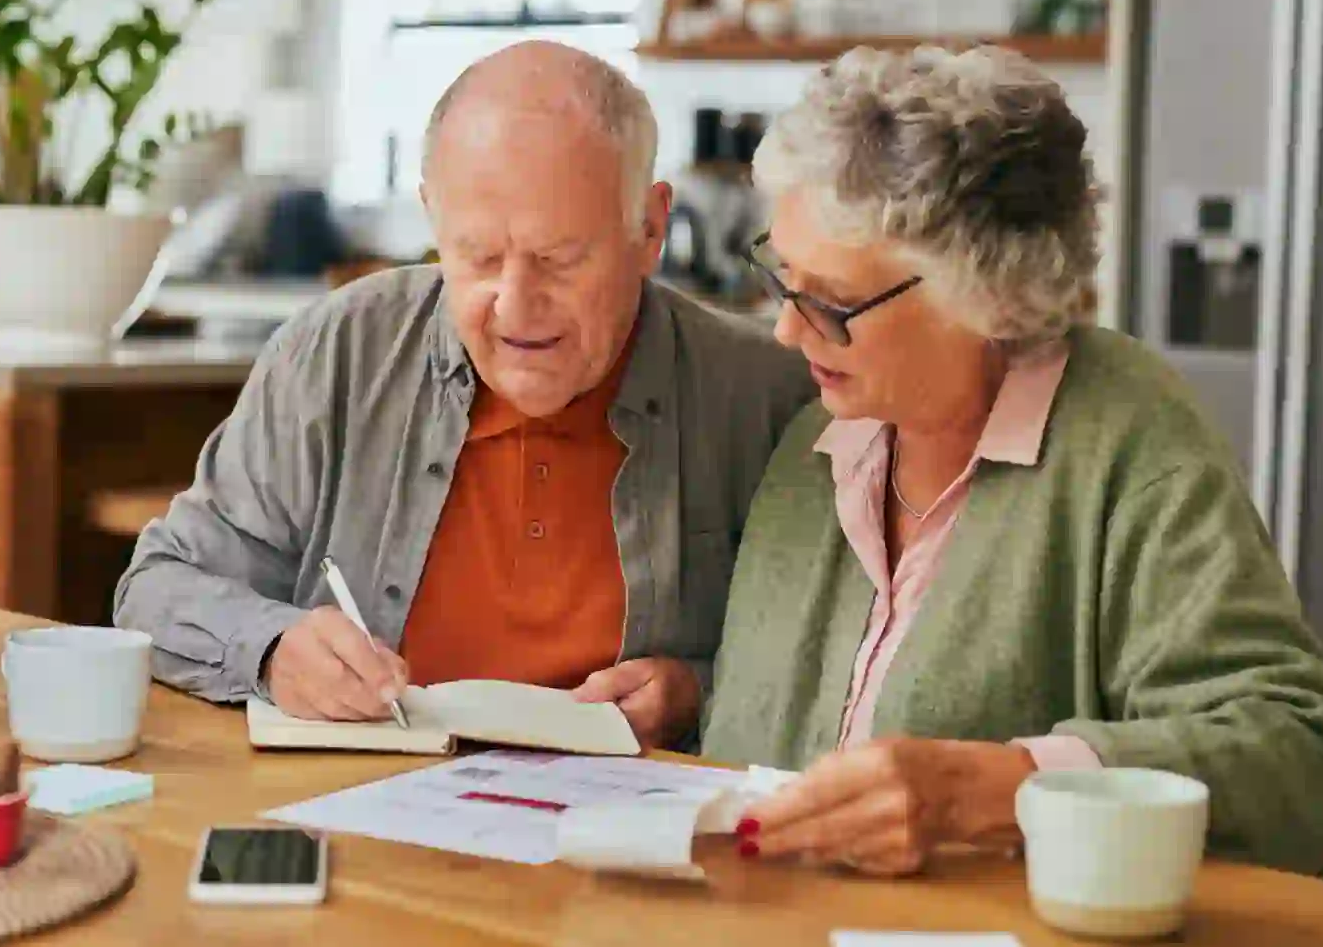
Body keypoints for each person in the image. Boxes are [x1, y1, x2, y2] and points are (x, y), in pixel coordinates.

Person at [702, 46, 1323, 876]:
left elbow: (1303, 757)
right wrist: (689, 688)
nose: (788, 330)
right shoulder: (818, 441)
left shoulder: (1126, 438)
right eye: (785, 278)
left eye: (834, 304)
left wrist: (1002, 789)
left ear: (986, 293)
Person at [115, 42, 815, 749]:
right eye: (477, 256)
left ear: (650, 229)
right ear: (432, 219)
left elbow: (841, 679)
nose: (516, 307)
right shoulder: (339, 350)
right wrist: (271, 648)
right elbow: (155, 588)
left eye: (561, 259)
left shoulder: (767, 393)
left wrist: (702, 690)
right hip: (361, 812)